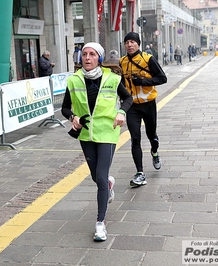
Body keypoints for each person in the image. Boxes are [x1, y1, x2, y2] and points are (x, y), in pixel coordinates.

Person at [61, 42, 133, 241]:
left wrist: (121, 112)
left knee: (100, 178)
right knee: (96, 177)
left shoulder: (113, 78)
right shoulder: (74, 80)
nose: (87, 58)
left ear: (99, 59)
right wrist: (72, 118)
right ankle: (109, 184)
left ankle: (100, 223)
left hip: (107, 133)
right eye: (84, 54)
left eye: (92, 54)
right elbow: (65, 108)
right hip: (86, 135)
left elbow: (128, 99)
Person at [119, 32, 167, 187]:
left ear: (138, 44)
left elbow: (162, 78)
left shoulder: (148, 59)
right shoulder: (122, 62)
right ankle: (140, 173)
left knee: (151, 135)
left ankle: (155, 152)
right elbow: (119, 83)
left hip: (148, 104)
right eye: (127, 42)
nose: (130, 45)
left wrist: (142, 81)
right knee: (135, 138)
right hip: (131, 106)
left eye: (133, 42)